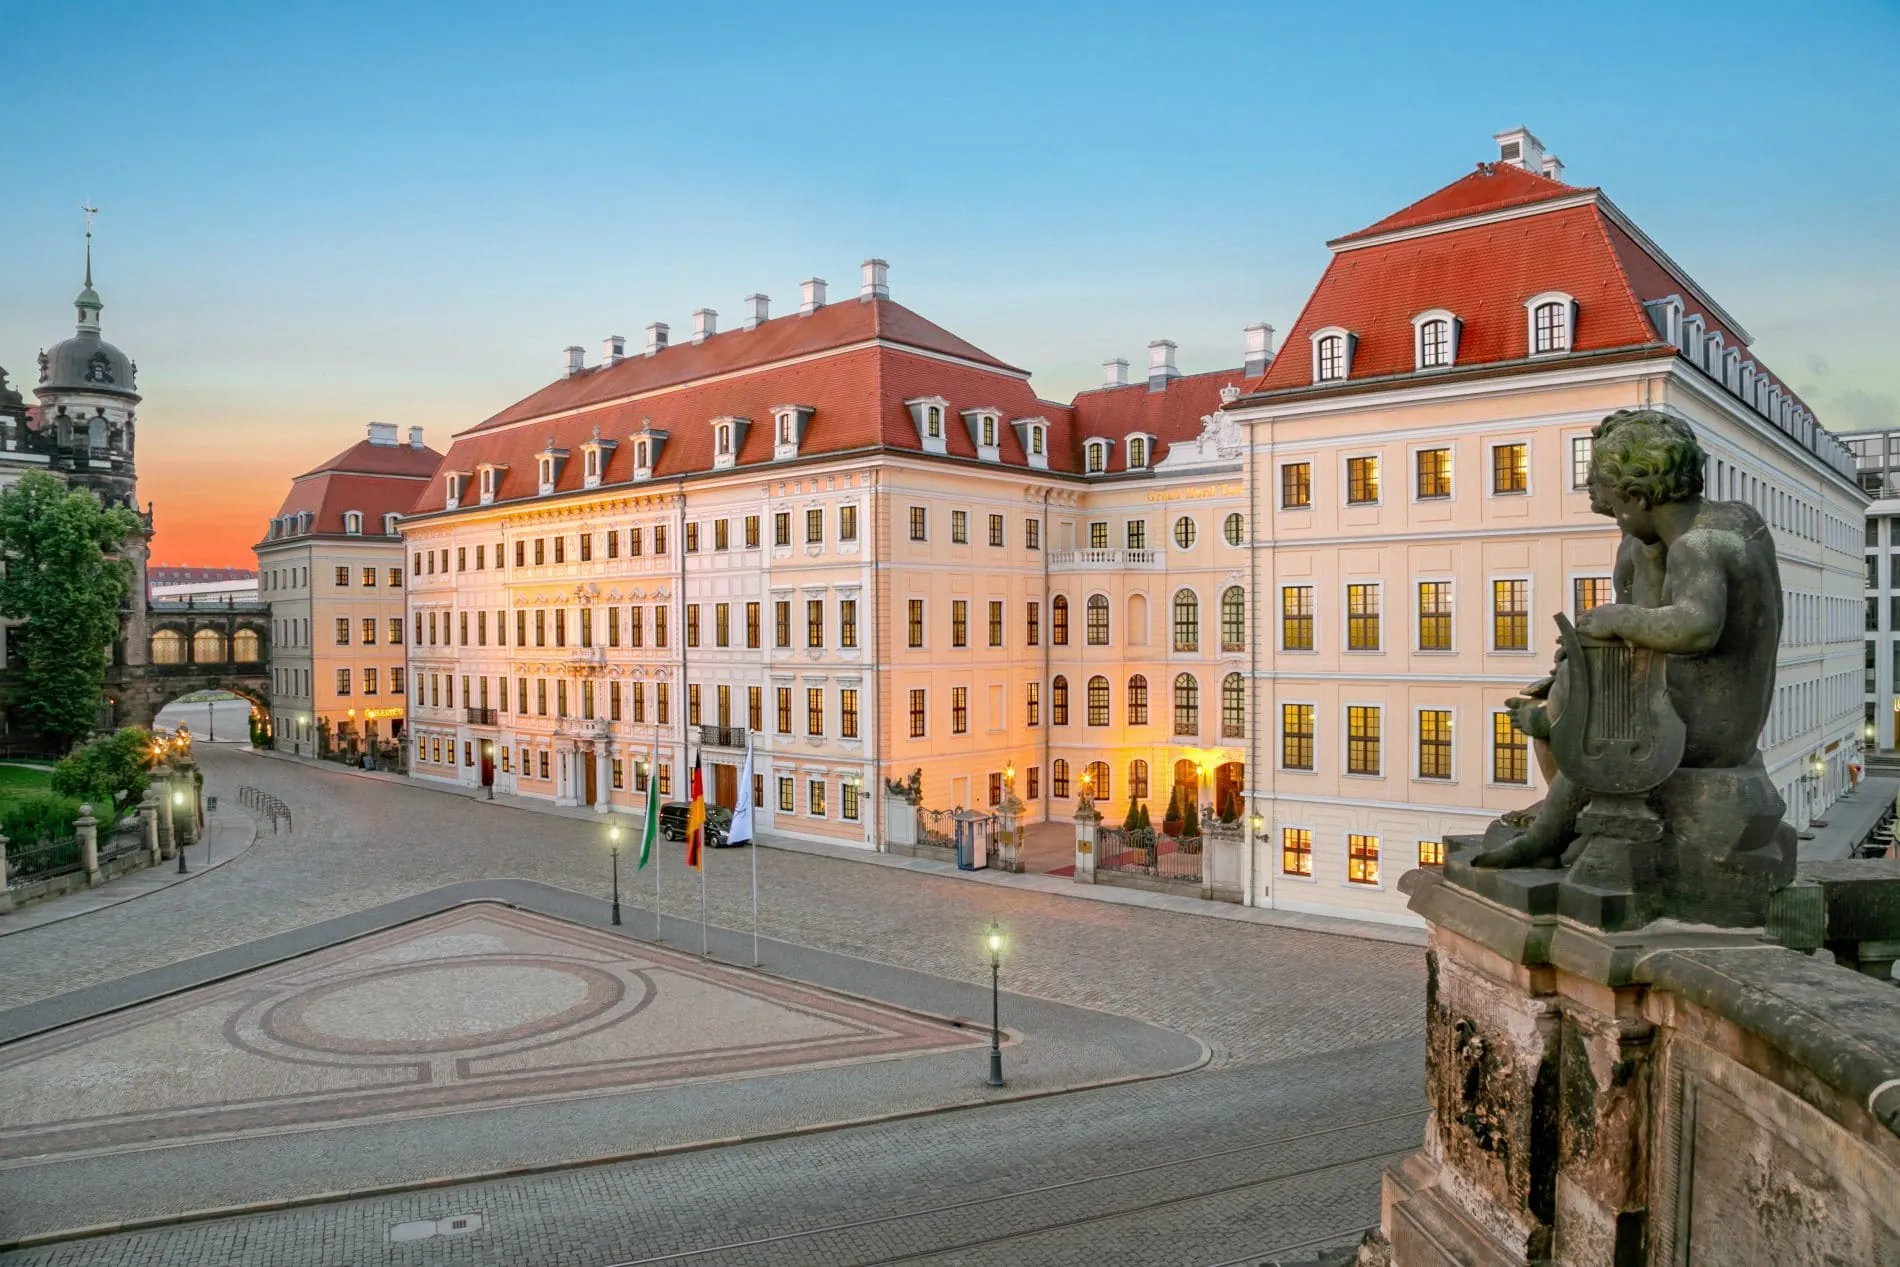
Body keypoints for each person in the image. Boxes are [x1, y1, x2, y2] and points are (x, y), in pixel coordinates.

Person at [1475, 410, 1782, 869]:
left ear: (1637, 497)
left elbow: (1696, 627)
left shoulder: (1699, 546)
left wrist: (1616, 617)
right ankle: (1567, 809)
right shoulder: (1733, 520)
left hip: (1706, 729)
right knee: (1566, 689)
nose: (1612, 520)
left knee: (1575, 718)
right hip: (1711, 711)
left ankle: (1544, 837)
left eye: (1613, 508)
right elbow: (1657, 618)